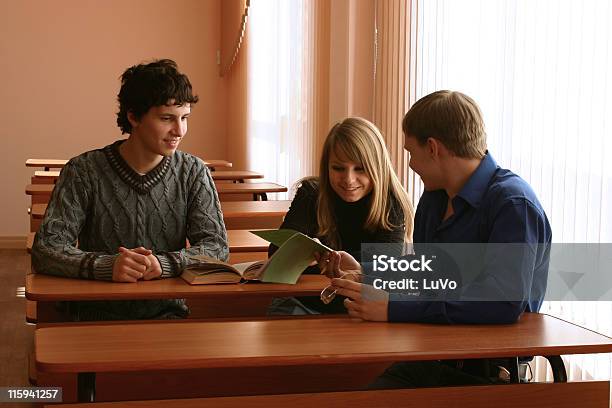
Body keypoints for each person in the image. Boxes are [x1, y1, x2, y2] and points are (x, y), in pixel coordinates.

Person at [326, 90, 552, 387]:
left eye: (411, 153)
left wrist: (394, 308)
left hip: (484, 372)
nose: (409, 165)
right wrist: (371, 274)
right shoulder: (434, 198)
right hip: (429, 354)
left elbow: (502, 302)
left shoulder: (513, 204)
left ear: (433, 148)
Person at [32, 59, 228, 321]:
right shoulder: (84, 170)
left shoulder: (193, 172)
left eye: (185, 118)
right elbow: (46, 248)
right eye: (167, 118)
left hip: (167, 317)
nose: (179, 130)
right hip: (91, 318)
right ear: (133, 116)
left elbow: (216, 247)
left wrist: (163, 264)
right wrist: (107, 266)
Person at [268, 117, 414, 314]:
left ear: (377, 167)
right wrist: (299, 255)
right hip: (303, 303)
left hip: (361, 308)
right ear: (326, 166)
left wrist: (337, 263)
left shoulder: (391, 202)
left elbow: (386, 265)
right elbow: (276, 252)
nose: (348, 179)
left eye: (360, 169)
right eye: (338, 168)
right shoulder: (311, 193)